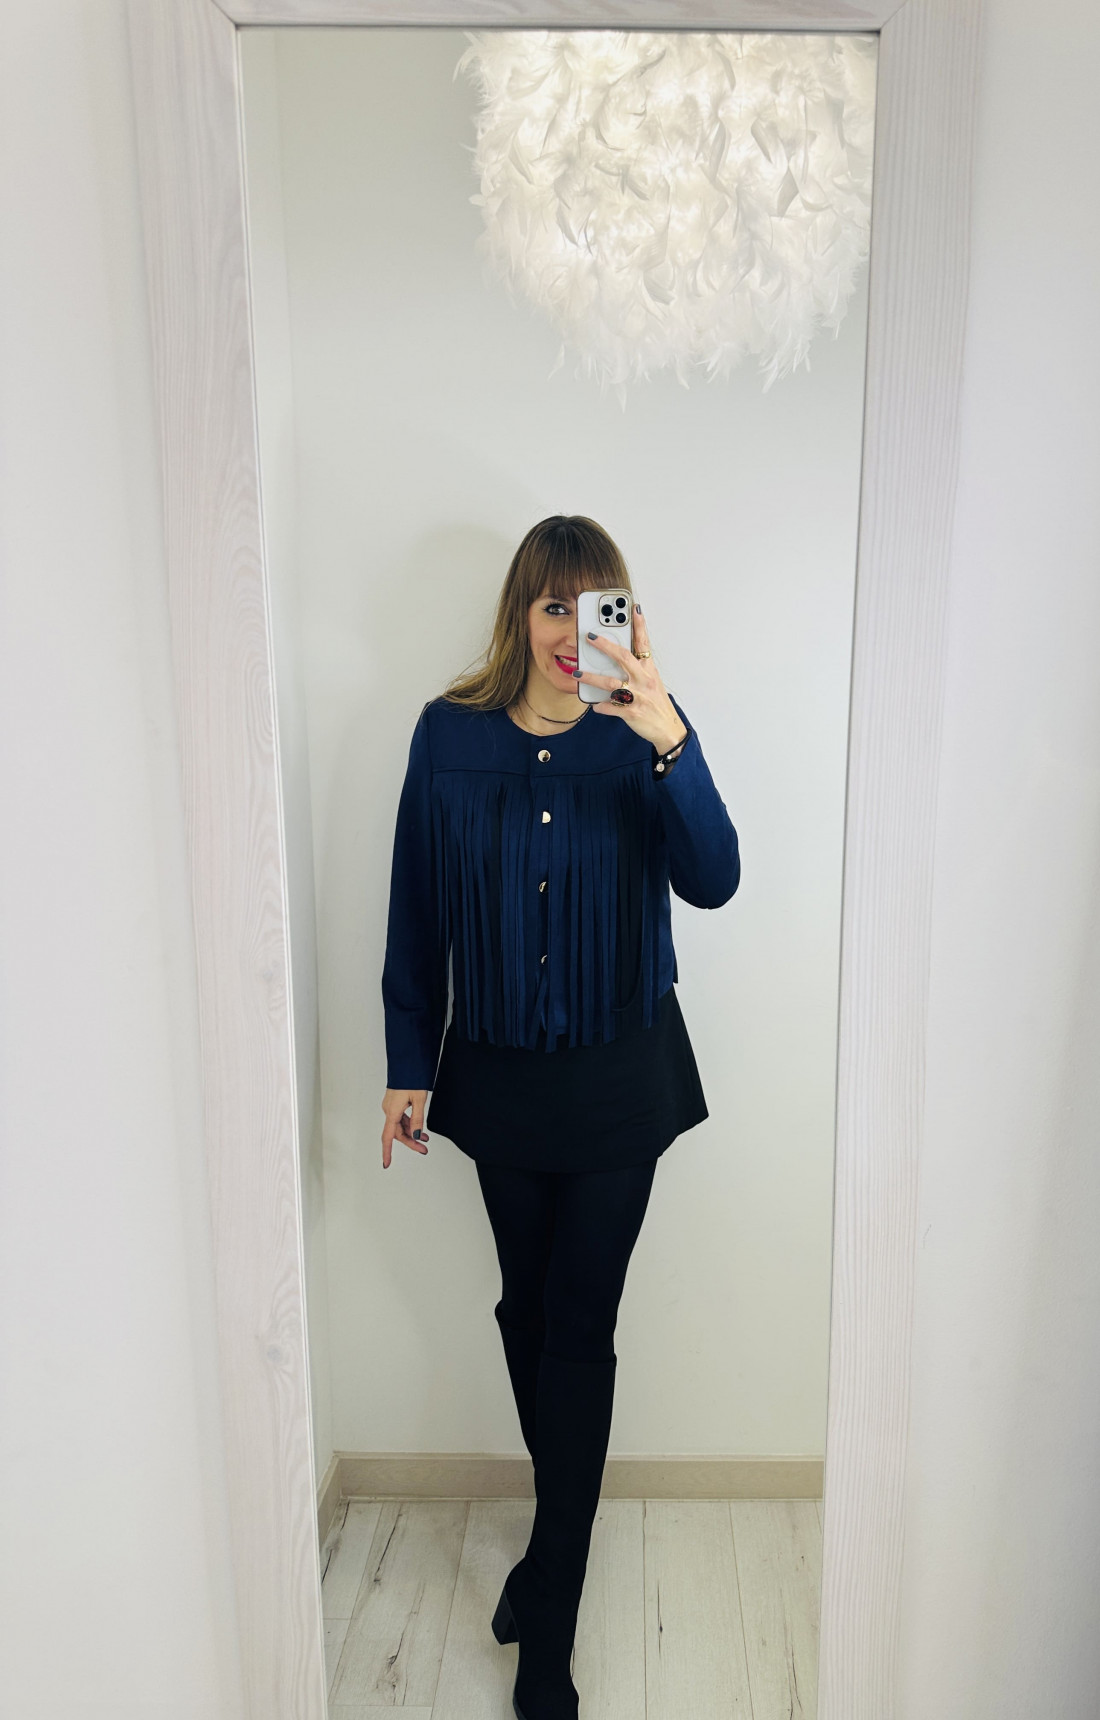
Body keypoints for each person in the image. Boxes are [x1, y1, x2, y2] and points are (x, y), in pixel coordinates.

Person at [380, 515, 739, 1720]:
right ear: (520, 613)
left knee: (578, 1325)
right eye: (552, 605)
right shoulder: (447, 735)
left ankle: (551, 1621)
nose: (567, 631)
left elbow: (715, 878)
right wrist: (405, 1061)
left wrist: (667, 736)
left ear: (620, 623)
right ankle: (545, 1558)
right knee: (523, 1310)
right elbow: (415, 908)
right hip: (498, 1075)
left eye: (595, 608)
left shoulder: (643, 736)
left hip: (621, 1077)